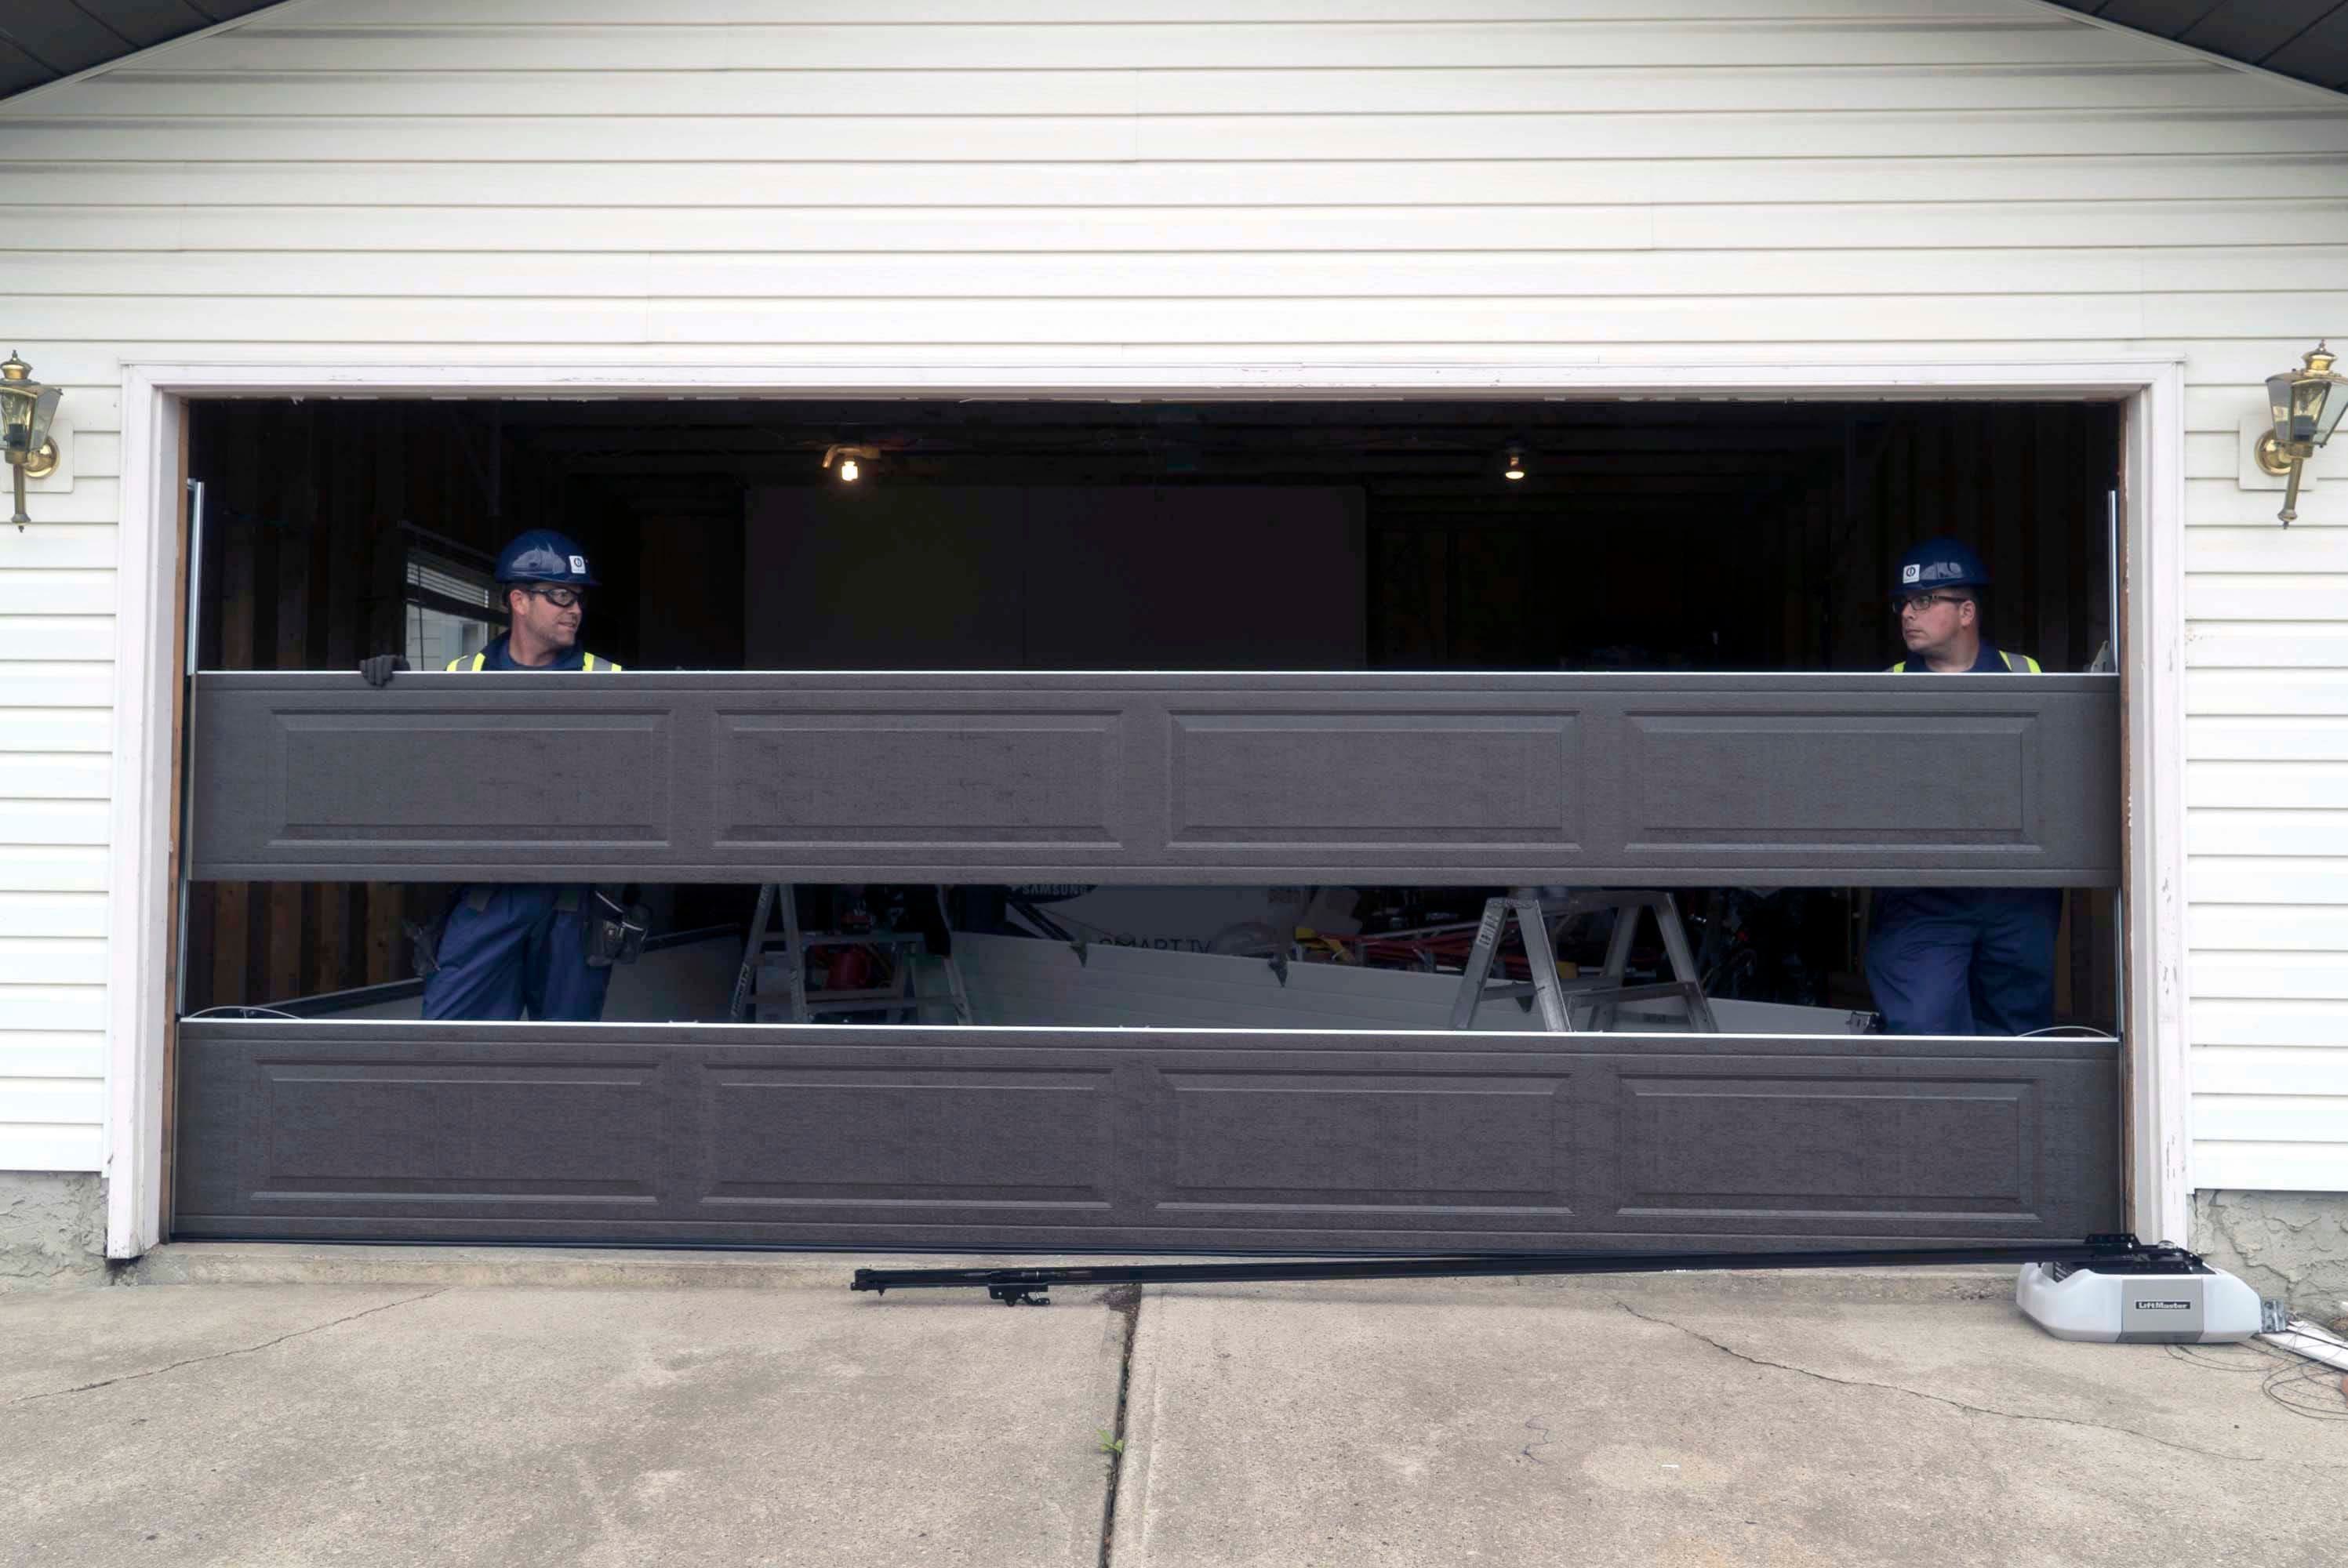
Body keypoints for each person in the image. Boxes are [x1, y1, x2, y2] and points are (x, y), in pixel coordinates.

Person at [359, 529, 633, 1021]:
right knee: (452, 1046)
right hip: (487, 893)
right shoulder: (461, 676)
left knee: (569, 1063)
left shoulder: (610, 680)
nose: (575, 609)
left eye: (579, 598)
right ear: (519, 601)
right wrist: (393, 696)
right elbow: (413, 771)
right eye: (561, 596)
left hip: (571, 898)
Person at [1865, 538, 2061, 1036]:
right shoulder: (1887, 684)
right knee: (1924, 1026)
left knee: (2020, 1033)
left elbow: (2058, 773)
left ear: (1967, 610)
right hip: (1922, 890)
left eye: (1925, 600)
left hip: (2015, 889)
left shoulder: (2026, 674)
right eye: (1904, 603)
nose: (1909, 613)